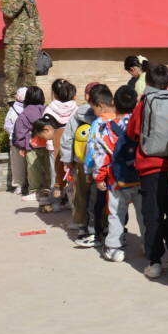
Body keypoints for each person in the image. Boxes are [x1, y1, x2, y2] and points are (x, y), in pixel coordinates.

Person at [126, 63, 168, 279]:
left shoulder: (144, 103)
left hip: (150, 168)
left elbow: (132, 132)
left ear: (148, 81)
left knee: (152, 215)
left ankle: (155, 262)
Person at [87, 86, 141, 262]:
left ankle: (114, 249)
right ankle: (149, 245)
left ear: (114, 104)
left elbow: (100, 157)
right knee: (143, 214)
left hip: (116, 180)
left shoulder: (105, 128)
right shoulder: (140, 124)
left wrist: (99, 177)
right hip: (140, 177)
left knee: (116, 214)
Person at [61, 83, 103, 244]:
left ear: (86, 96)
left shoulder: (78, 115)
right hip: (102, 162)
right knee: (100, 196)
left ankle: (82, 227)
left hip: (81, 163)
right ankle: (103, 226)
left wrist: (67, 160)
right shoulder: (105, 113)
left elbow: (67, 138)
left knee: (82, 196)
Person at [0, 0, 44, 104]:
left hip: (31, 40)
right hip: (14, 41)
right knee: (11, 72)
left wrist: (39, 37)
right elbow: (9, 13)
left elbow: (35, 18)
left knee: (30, 73)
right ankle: (10, 101)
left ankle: (32, 101)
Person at [44, 79, 78, 209]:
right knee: (70, 174)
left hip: (54, 146)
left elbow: (45, 129)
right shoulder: (75, 108)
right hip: (71, 146)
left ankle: (57, 202)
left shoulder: (50, 109)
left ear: (54, 93)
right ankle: (71, 202)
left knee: (56, 174)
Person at [12, 86, 46, 199]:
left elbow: (19, 133)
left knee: (33, 170)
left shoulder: (24, 115)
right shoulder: (47, 110)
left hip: (32, 146)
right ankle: (48, 190)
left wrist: (22, 146)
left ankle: (35, 191)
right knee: (49, 169)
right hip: (48, 145)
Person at [4, 87, 28, 195]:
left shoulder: (12, 110)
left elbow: (7, 126)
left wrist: (15, 133)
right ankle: (33, 185)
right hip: (30, 139)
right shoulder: (31, 109)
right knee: (32, 164)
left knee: (17, 164)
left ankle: (19, 186)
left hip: (16, 140)